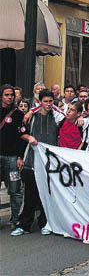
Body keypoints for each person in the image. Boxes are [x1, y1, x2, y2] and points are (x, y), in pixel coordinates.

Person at [11, 89, 64, 236]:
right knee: (29, 194)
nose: (48, 104)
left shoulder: (58, 116)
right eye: (45, 101)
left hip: (50, 163)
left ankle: (45, 223)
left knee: (45, 195)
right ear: (40, 102)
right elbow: (21, 133)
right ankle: (24, 225)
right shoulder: (31, 116)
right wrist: (29, 139)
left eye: (50, 101)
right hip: (31, 161)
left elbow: (69, 123)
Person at [0, 85, 29, 230]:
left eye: (11, 95)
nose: (10, 97)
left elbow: (22, 137)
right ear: (1, 96)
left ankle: (17, 220)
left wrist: (19, 157)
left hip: (12, 158)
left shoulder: (18, 115)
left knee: (15, 190)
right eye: (6, 95)